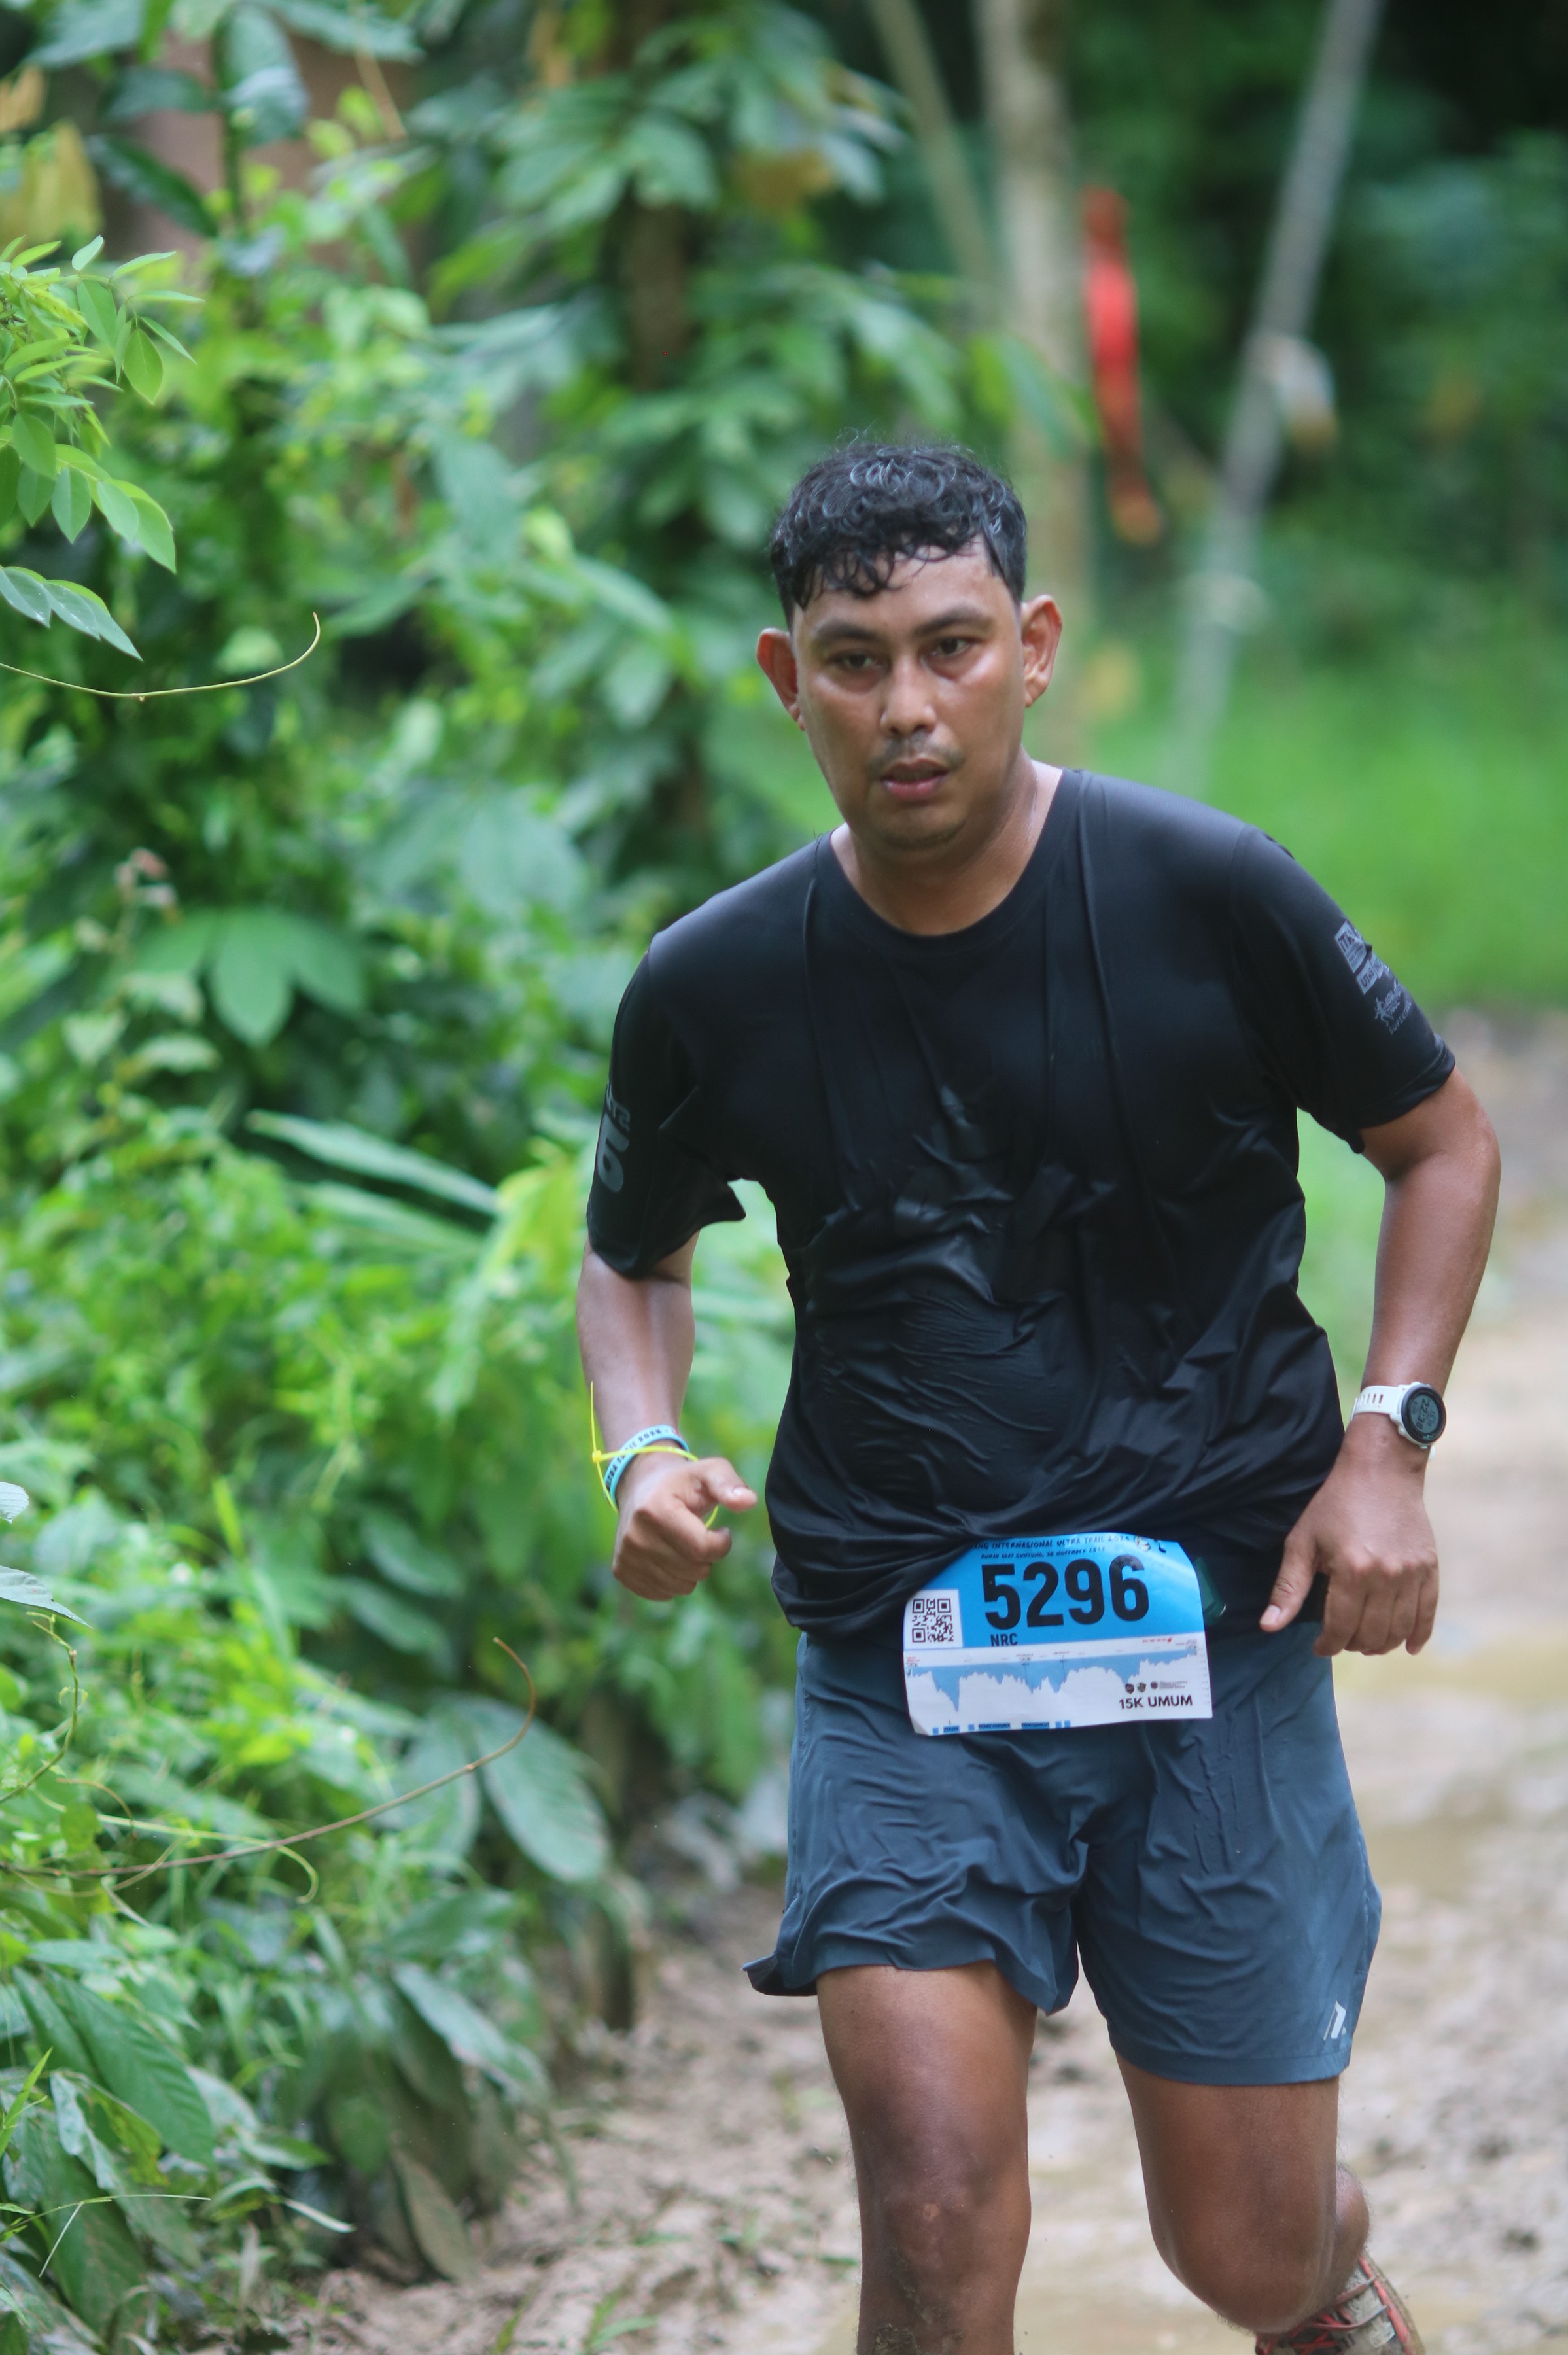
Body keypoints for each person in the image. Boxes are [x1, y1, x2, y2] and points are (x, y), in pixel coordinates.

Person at [576, 444, 1499, 2355]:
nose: (907, 708)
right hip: (903, 1645)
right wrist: (642, 1447)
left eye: (953, 647)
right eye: (854, 662)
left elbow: (1444, 1143)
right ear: (787, 678)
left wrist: (1388, 1443)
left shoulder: (1207, 892)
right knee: (926, 2205)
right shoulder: (715, 982)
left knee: (1245, 2251)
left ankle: (1323, 2283)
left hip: (1218, 1624)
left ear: (1038, 646)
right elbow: (628, 1255)